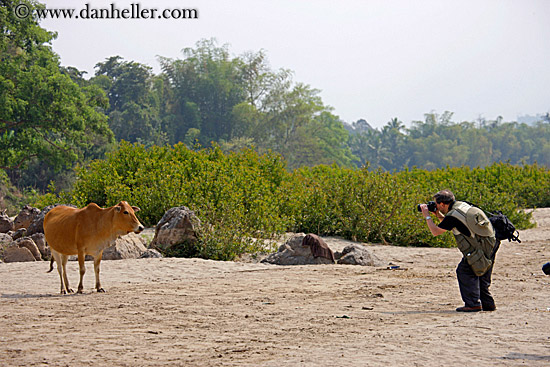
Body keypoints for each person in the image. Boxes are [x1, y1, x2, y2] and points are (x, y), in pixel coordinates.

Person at [420, 189, 499, 312]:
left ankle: (473, 304)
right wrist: (438, 215)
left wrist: (427, 216)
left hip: (480, 245)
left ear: (442, 204)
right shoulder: (462, 206)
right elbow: (450, 224)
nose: (435, 206)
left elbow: (435, 231)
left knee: (465, 270)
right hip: (491, 240)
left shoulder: (453, 216)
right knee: (482, 271)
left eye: (436, 204)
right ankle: (488, 304)